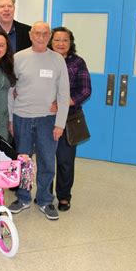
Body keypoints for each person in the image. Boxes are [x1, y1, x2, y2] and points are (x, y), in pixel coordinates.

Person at [8, 21, 70, 221]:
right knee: (22, 161)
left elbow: (63, 93)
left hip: (47, 120)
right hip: (22, 117)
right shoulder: (18, 58)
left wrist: (60, 123)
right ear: (31, 34)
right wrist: (10, 119)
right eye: (37, 33)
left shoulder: (57, 60)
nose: (41, 36)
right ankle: (23, 197)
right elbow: (11, 90)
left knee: (46, 160)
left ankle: (44, 200)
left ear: (49, 35)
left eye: (45, 33)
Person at [48, 26, 91, 211]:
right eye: (57, 39)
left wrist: (65, 103)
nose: (60, 43)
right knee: (46, 159)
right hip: (46, 118)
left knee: (65, 161)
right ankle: (45, 195)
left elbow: (86, 90)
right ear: (51, 41)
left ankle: (64, 197)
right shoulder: (44, 60)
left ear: (70, 42)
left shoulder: (78, 62)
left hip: (69, 119)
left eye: (65, 40)